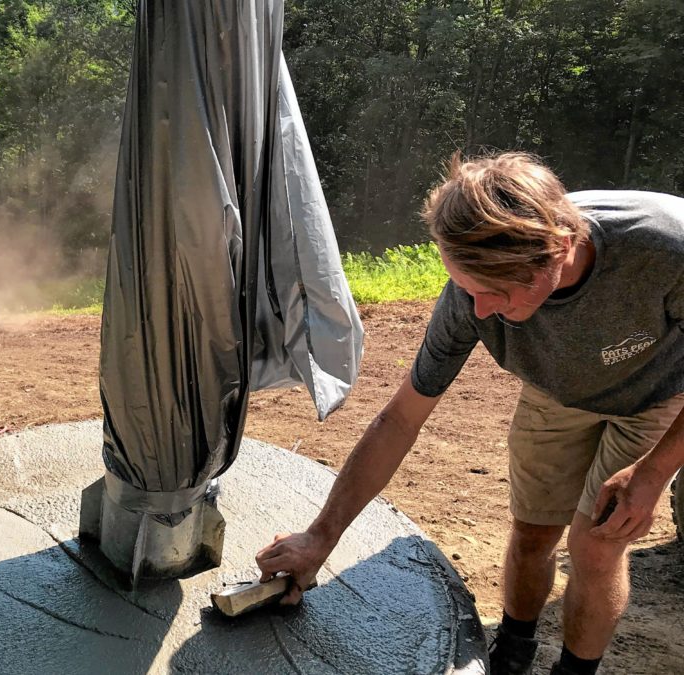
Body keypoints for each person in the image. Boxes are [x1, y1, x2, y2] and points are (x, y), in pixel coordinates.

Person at [256, 152, 684, 675]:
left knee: (596, 546)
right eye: (467, 287)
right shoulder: (467, 300)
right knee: (532, 533)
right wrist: (318, 537)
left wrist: (654, 472)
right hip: (552, 392)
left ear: (562, 249)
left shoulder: (665, 248)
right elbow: (398, 421)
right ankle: (513, 647)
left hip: (656, 397)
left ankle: (575, 670)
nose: (479, 312)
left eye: (496, 293)